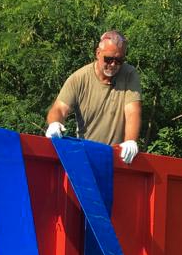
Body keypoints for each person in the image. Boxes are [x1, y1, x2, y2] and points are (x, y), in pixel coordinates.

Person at [45, 30, 142, 164]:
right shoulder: (79, 78)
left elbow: (132, 111)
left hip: (117, 159)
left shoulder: (129, 74)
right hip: (86, 157)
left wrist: (130, 141)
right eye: (109, 59)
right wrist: (55, 123)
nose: (113, 64)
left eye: (119, 60)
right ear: (98, 53)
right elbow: (59, 109)